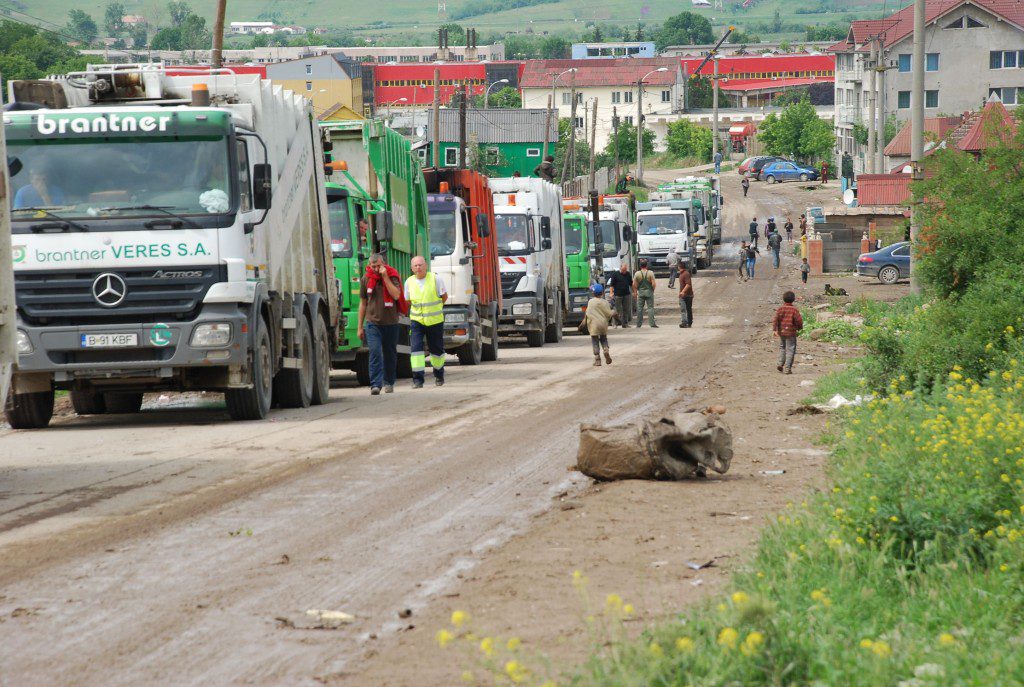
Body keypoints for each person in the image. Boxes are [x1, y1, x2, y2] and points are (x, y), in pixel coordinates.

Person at [358, 252, 403, 395]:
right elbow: (363, 303)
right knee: (375, 352)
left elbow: (396, 295)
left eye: (378, 266)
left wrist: (385, 277)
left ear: (383, 264)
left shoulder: (392, 275)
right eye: (373, 266)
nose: (376, 269)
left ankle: (389, 382)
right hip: (373, 323)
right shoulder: (366, 279)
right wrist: (360, 327)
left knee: (390, 354)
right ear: (369, 265)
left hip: (391, 323)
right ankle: (375, 385)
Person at [405, 255, 448, 389]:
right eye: (415, 266)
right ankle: (418, 380)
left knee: (436, 350)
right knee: (416, 350)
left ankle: (439, 375)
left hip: (435, 321)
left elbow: (444, 297)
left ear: (426, 266)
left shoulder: (436, 279)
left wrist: (434, 309)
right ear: (412, 268)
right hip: (417, 321)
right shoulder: (409, 282)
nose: (418, 268)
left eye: (421, 265)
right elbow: (408, 301)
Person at [773, 290, 804, 374]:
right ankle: (787, 368)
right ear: (793, 299)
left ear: (783, 299)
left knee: (782, 347)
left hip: (781, 332)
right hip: (791, 332)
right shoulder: (794, 310)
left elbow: (775, 319)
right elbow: (799, 320)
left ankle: (780, 363)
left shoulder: (780, 309)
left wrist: (775, 330)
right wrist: (800, 328)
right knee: (790, 349)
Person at [585, 284, 616, 367]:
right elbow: (609, 313)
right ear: (602, 293)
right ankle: (606, 349)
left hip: (593, 325)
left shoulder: (590, 302)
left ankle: (597, 359)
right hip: (603, 324)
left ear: (593, 293)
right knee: (603, 339)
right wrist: (614, 313)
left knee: (595, 341)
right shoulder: (605, 302)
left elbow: (587, 314)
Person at [633, 259, 658, 328]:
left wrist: (635, 292)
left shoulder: (637, 274)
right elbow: (653, 284)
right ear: (646, 265)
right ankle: (652, 323)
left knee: (640, 308)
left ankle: (638, 324)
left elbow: (634, 284)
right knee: (650, 308)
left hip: (641, 293)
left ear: (640, 266)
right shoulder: (650, 273)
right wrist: (652, 290)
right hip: (649, 292)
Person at [608, 263, 633, 328]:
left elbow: (631, 284)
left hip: (626, 294)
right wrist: (611, 293)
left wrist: (634, 292)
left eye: (625, 270)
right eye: (623, 270)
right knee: (617, 310)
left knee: (626, 309)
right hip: (618, 295)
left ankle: (625, 324)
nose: (624, 272)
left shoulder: (628, 274)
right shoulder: (615, 274)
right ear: (620, 268)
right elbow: (611, 285)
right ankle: (614, 324)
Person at [678, 263, 693, 328]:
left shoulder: (686, 274)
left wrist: (682, 292)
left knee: (687, 309)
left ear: (679, 267)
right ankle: (684, 322)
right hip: (683, 295)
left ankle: (688, 322)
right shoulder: (681, 274)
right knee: (683, 309)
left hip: (687, 295)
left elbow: (688, 284)